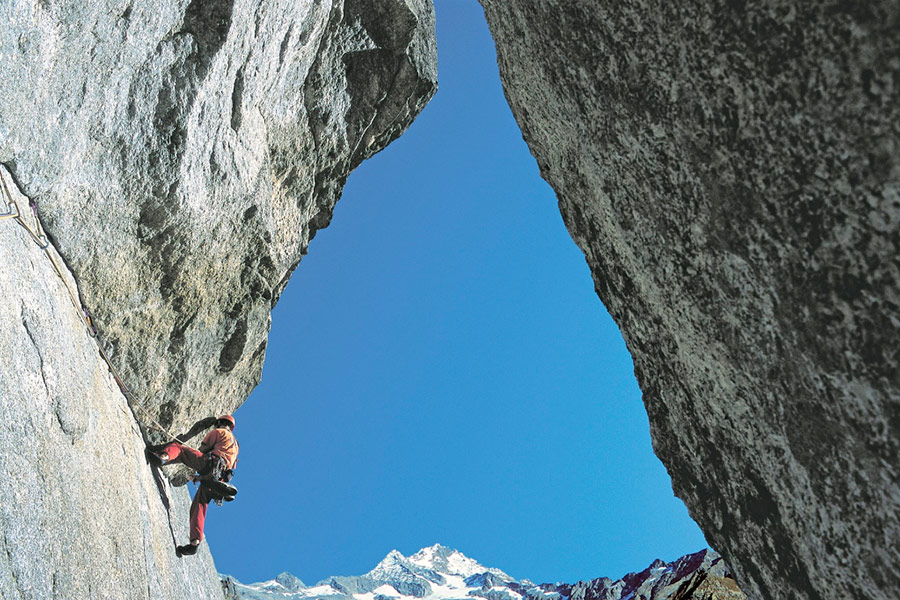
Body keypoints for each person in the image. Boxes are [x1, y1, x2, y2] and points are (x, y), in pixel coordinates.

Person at [147, 415, 239, 557]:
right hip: (218, 476)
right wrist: (199, 477)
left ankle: (163, 456)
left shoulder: (219, 432)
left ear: (220, 423)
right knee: (199, 507)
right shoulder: (236, 446)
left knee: (180, 449)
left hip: (210, 463)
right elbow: (230, 466)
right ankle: (194, 543)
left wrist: (198, 464)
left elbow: (203, 450)